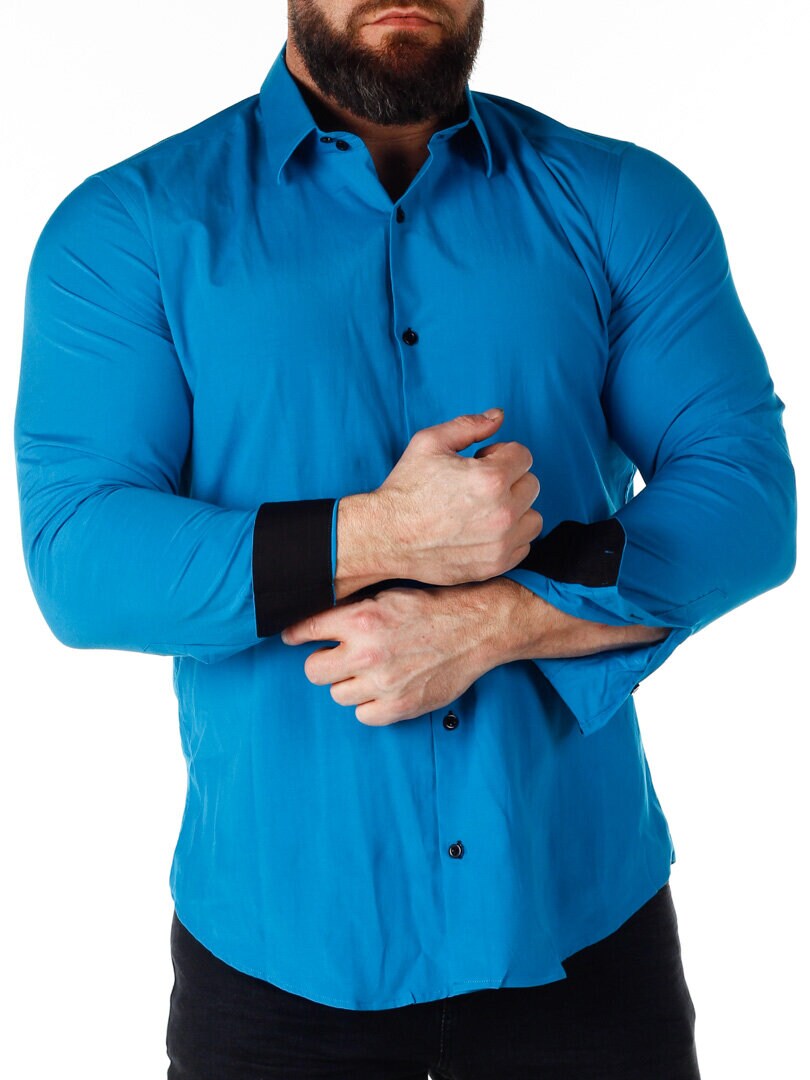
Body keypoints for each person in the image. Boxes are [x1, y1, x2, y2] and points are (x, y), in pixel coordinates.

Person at [14, 2, 797, 1078]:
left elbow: (747, 500)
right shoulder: (128, 229)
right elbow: (80, 557)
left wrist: (499, 623)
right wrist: (379, 534)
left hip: (581, 929)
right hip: (277, 959)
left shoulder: (623, 201)